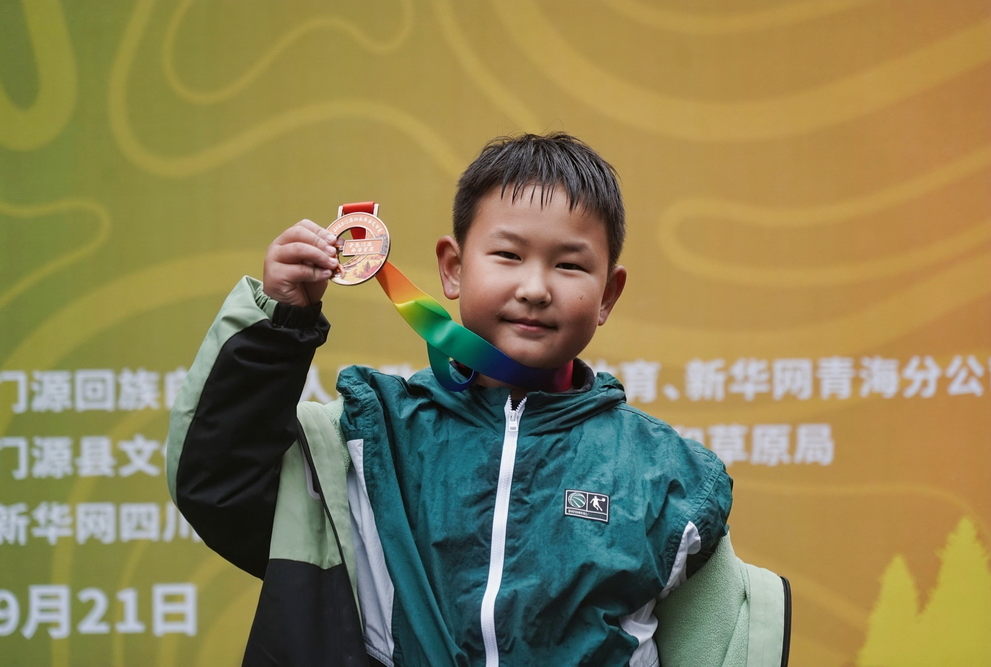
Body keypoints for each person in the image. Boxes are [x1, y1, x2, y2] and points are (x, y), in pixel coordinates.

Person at [167, 133, 734, 667]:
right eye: (508, 255)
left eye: (569, 265)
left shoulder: (670, 476)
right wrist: (281, 323)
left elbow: (724, 640)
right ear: (453, 268)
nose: (535, 289)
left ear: (608, 293)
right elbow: (220, 483)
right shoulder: (370, 438)